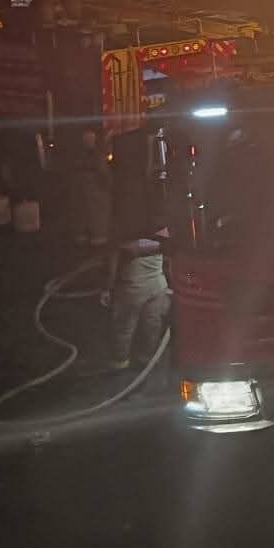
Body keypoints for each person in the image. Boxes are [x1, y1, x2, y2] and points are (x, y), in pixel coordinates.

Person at [101, 128, 172, 372]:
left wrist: (109, 285)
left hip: (136, 280)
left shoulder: (126, 195)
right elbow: (167, 240)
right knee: (149, 328)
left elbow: (117, 246)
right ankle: (142, 367)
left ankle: (121, 369)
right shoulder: (155, 194)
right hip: (156, 281)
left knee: (125, 327)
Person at [70, 127, 112, 247]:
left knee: (96, 214)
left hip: (95, 191)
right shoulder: (80, 155)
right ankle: (84, 234)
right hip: (84, 191)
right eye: (86, 139)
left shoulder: (97, 155)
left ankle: (97, 235)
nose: (88, 141)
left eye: (90, 139)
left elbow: (104, 172)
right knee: (82, 213)